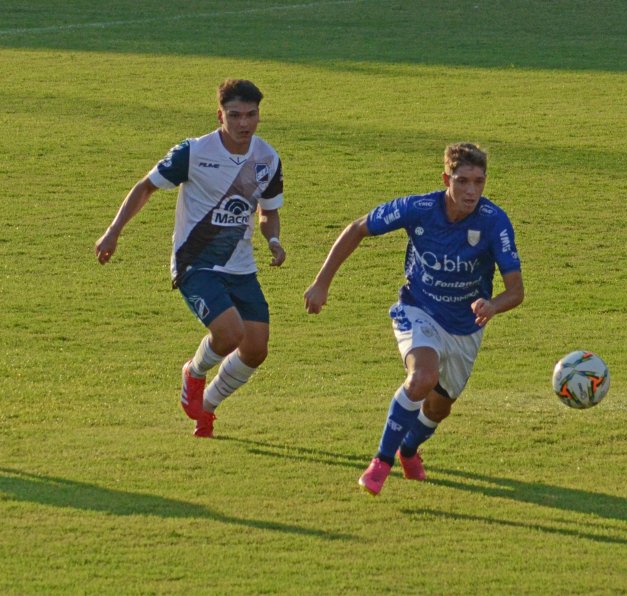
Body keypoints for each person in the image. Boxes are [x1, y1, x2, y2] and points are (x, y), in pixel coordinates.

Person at [304, 143, 524, 495]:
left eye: (479, 182)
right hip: (418, 309)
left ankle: (408, 450)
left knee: (439, 408)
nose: (471, 191)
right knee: (422, 377)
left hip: (466, 327)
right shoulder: (419, 208)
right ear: (446, 180)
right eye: (462, 181)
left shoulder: (494, 221)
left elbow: (516, 291)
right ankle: (380, 463)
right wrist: (321, 283)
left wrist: (493, 305)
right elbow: (358, 228)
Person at [95, 79, 286, 438]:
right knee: (229, 334)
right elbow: (146, 187)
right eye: (235, 115)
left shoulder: (267, 158)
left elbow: (268, 211)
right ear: (220, 116)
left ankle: (207, 407)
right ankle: (194, 372)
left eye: (251, 114)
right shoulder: (194, 152)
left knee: (256, 349)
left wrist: (273, 239)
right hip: (195, 263)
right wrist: (114, 231)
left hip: (241, 266)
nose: (244, 123)